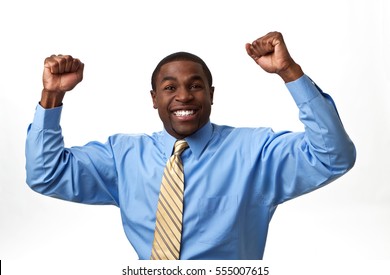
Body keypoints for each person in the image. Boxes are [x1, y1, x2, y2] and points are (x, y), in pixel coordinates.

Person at [25, 32, 356, 260]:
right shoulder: (121, 156)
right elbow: (46, 175)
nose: (183, 96)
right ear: (154, 99)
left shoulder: (256, 151)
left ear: (211, 94)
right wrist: (52, 96)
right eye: (170, 87)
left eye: (195, 86)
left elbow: (333, 157)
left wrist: (289, 72)